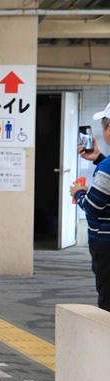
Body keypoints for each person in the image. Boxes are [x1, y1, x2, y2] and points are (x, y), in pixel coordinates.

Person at [72, 103, 110, 311]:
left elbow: (92, 206)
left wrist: (78, 192)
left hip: (106, 243)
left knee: (107, 303)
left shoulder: (108, 167)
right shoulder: (106, 164)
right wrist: (98, 158)